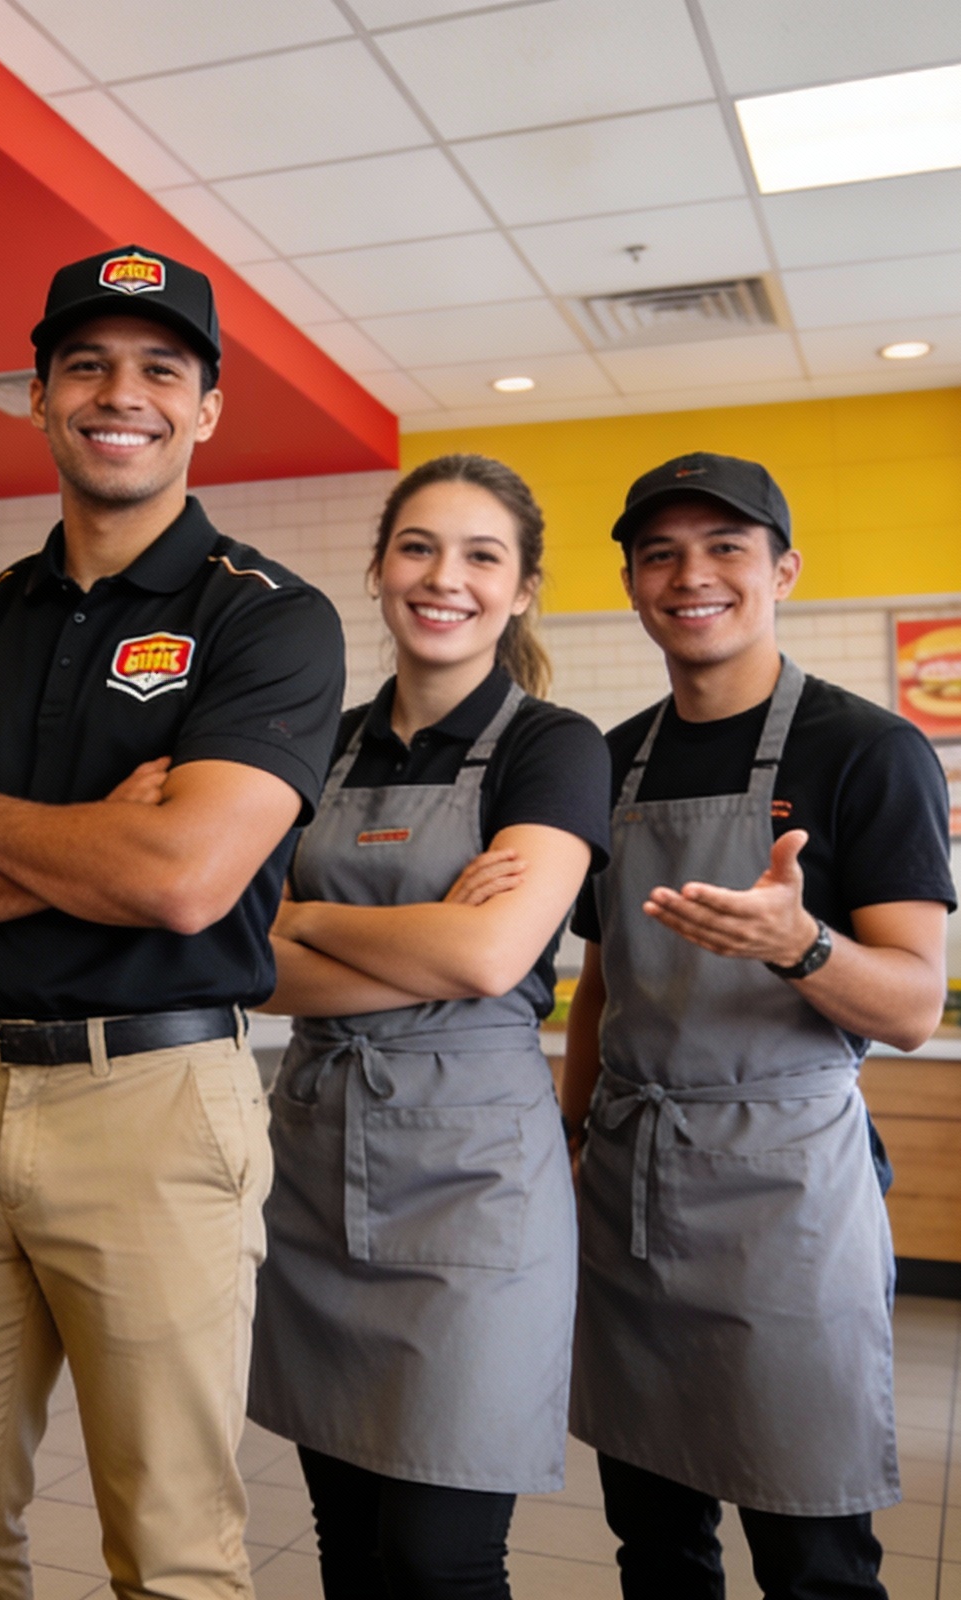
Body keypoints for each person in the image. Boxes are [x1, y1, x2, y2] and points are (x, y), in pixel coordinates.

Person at [0, 244, 346, 1600]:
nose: (120, 394)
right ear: (41, 395)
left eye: (159, 371)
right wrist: (90, 834)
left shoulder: (271, 622)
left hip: (159, 1100)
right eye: (87, 367)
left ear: (207, 407)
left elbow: (183, 879)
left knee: (174, 1551)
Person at [558, 453, 954, 1600]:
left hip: (786, 1195)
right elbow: (601, 977)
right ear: (632, 583)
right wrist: (572, 1128)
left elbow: (916, 1004)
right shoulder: (605, 760)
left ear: (782, 569)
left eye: (726, 547)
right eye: (659, 553)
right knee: (656, 1540)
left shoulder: (868, 752)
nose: (692, 576)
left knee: (812, 1551)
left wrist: (800, 943)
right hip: (630, 1189)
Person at [249, 454, 609, 1600]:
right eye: (417, 547)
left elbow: (492, 955)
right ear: (377, 568)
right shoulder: (316, 742)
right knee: (347, 1542)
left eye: (480, 555)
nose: (442, 576)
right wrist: (420, 940)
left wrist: (305, 914)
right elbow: (239, 968)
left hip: (475, 1182)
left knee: (439, 1559)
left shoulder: (553, 747)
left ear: (521, 590)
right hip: (311, 1171)